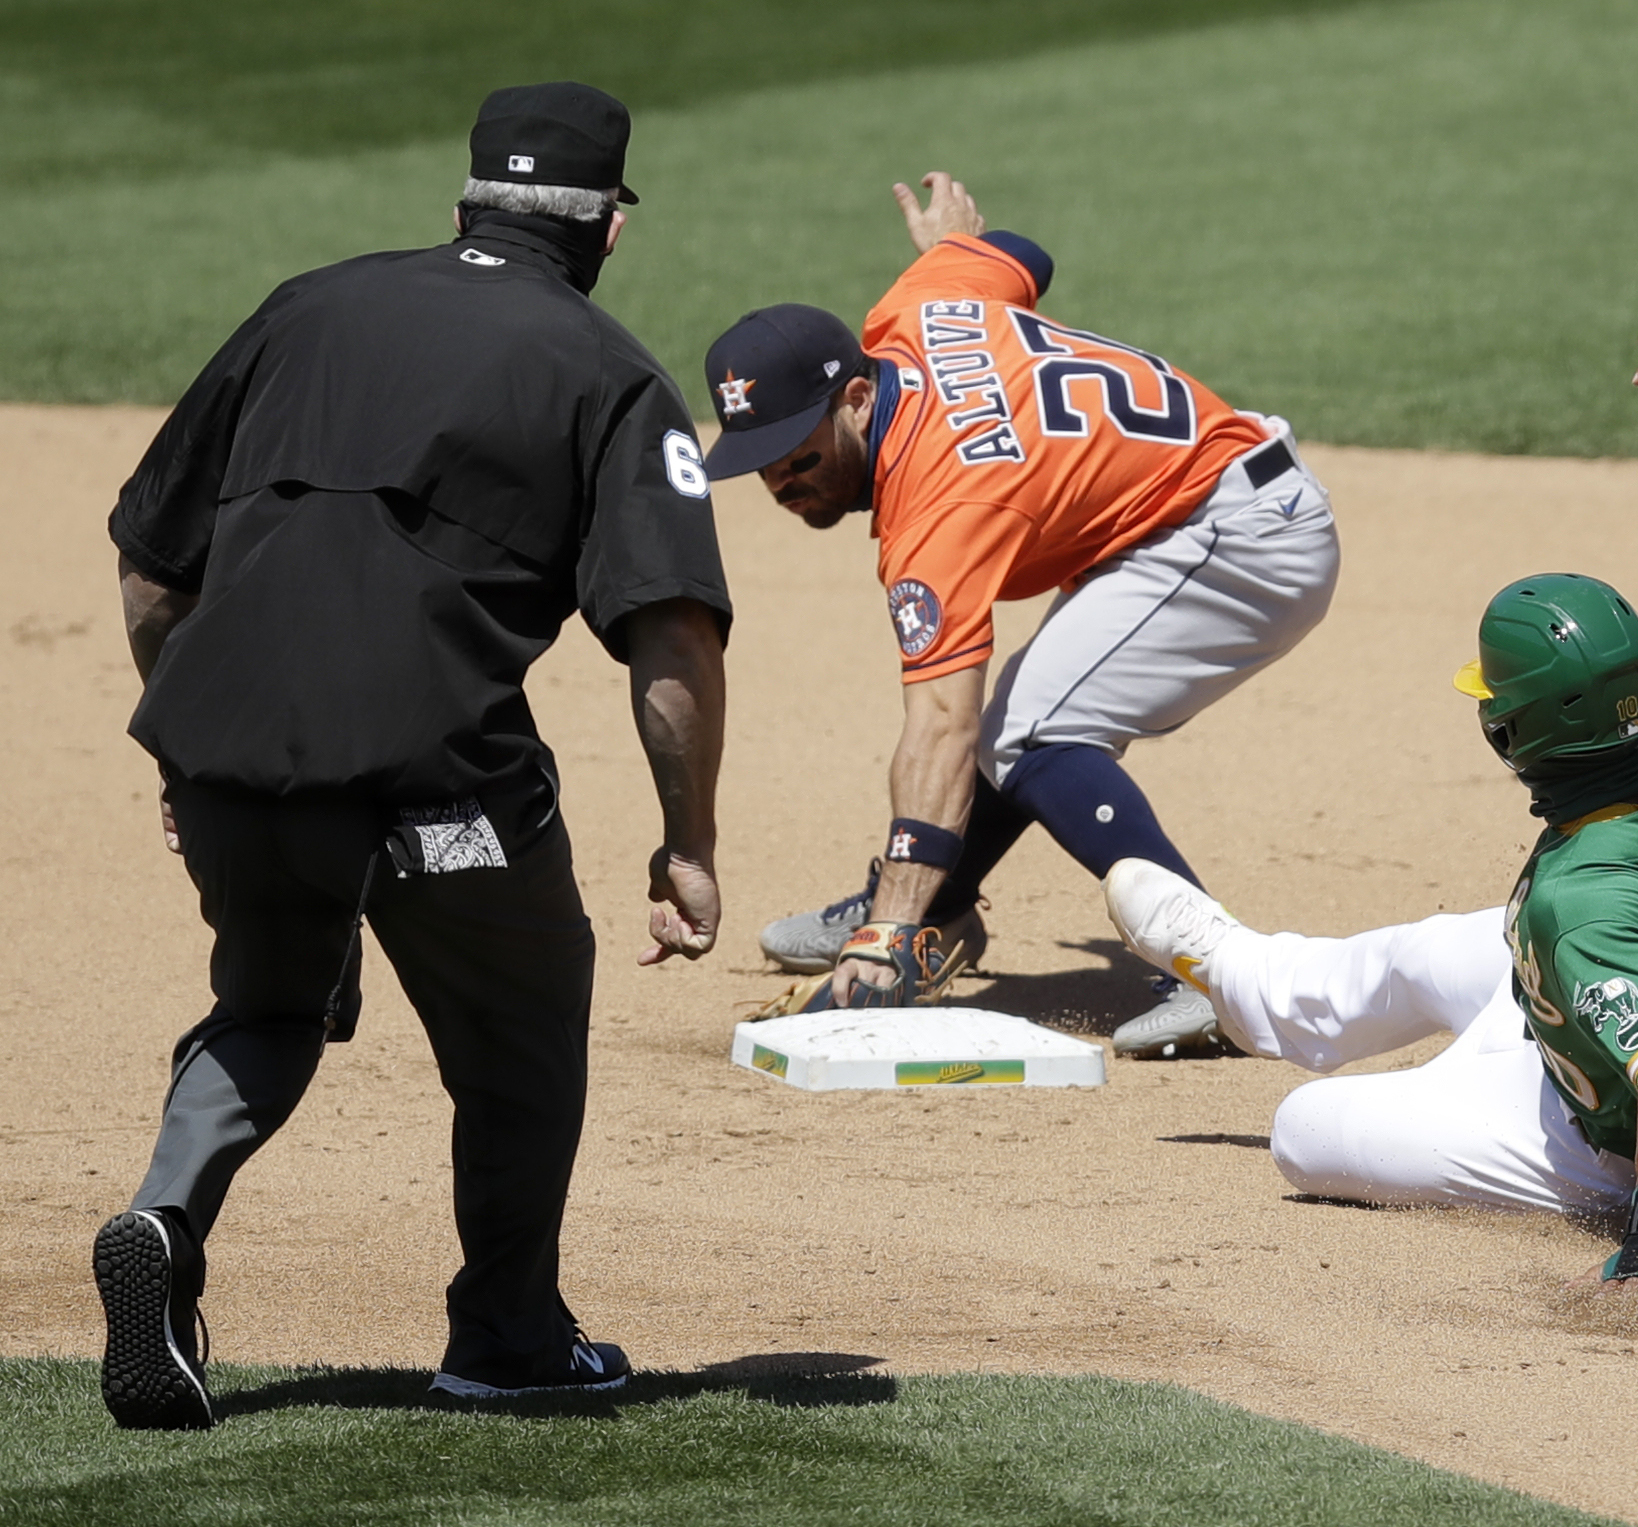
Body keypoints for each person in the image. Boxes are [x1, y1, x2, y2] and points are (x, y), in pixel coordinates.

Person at [93, 82, 731, 1430]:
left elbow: (154, 578)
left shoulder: (302, 308)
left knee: (271, 1005)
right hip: (440, 783)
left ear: (461, 208)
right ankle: (505, 1339)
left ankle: (161, 1224)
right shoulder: (610, 371)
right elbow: (670, 637)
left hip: (225, 755)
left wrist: (196, 759)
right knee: (521, 1024)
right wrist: (688, 841)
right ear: (610, 232)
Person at [1105, 338, 1638, 1290]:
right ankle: (1238, 971)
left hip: (1621, 1147)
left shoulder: (1584, 897)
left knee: (1302, 1131)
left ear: (1510, 732)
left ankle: (1273, 1000)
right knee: (1422, 953)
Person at [705, 172, 1339, 1055]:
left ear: (856, 398)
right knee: (1024, 713)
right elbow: (1019, 259)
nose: (781, 481)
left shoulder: (938, 510)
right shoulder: (919, 303)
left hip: (1239, 539)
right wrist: (952, 253)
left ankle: (1209, 970)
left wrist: (883, 931)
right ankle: (942, 907)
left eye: (796, 453)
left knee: (1030, 732)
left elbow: (938, 729)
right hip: (1189, 510)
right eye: (760, 461)